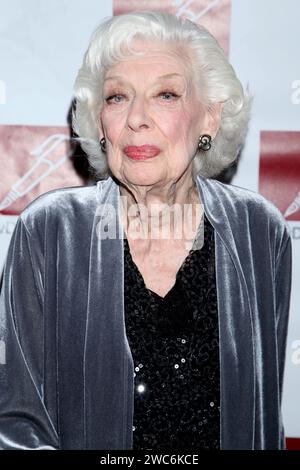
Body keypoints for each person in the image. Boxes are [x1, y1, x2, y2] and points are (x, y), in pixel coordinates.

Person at [0, 11, 292, 450]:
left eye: (166, 94)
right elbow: (15, 418)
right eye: (117, 97)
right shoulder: (48, 232)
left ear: (209, 118)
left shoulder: (258, 230)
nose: (137, 118)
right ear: (100, 122)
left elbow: (262, 414)